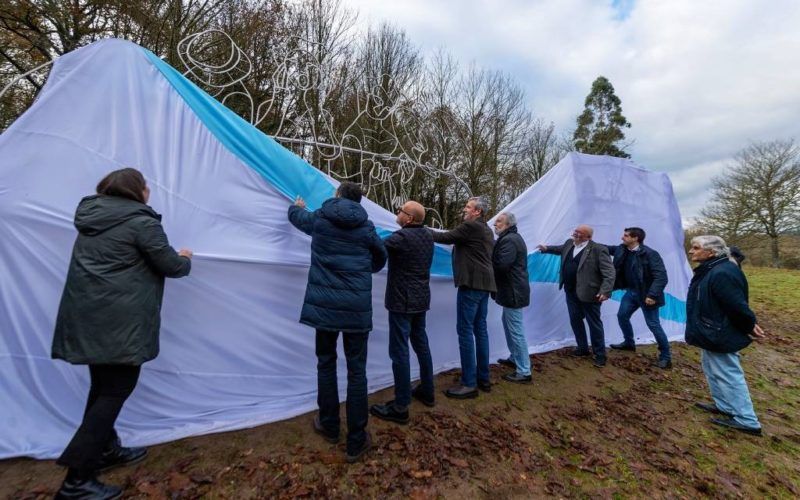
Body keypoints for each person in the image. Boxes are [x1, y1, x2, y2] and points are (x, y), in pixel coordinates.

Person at [52, 168, 192, 499]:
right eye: (146, 187)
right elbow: (171, 265)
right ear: (136, 191)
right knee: (116, 389)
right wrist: (185, 257)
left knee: (102, 387)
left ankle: (105, 450)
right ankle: (76, 481)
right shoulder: (141, 221)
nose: (149, 192)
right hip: (119, 323)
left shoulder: (92, 217)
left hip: (88, 318)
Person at [288, 182, 387, 463]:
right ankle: (356, 440)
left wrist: (296, 207)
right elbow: (381, 256)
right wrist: (362, 269)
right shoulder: (366, 227)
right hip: (356, 307)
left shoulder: (321, 218)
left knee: (326, 362)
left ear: (338, 195)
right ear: (359, 201)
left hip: (325, 307)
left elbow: (297, 218)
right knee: (357, 371)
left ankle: (330, 425)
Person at [686, 235, 765, 436]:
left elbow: (737, 306)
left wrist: (749, 325)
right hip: (711, 330)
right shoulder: (712, 269)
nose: (691, 251)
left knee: (728, 373)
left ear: (711, 253)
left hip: (719, 332)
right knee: (713, 369)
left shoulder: (722, 273)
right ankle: (725, 406)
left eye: (696, 248)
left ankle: (746, 419)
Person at [370, 201, 435, 424]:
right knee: (421, 345)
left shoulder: (402, 238)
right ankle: (427, 390)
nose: (397, 213)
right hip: (421, 299)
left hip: (402, 301)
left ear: (409, 219)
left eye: (401, 211)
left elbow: (377, 246)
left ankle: (400, 406)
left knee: (399, 351)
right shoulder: (427, 235)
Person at [430, 197, 496, 399]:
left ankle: (469, 383)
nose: (464, 209)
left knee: (465, 331)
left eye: (468, 207)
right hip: (484, 284)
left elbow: (445, 237)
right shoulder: (486, 229)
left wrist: (418, 227)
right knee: (480, 330)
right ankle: (483, 378)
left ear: (477, 212)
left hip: (472, 284)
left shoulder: (471, 226)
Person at [537, 225, 615, 367]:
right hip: (570, 291)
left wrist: (605, 291)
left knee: (594, 323)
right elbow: (560, 249)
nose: (575, 234)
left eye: (579, 233)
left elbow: (609, 273)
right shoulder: (569, 243)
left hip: (590, 294)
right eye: (575, 231)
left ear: (588, 237)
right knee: (575, 319)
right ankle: (582, 348)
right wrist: (546, 248)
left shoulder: (598, 249)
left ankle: (600, 355)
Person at [602, 227, 672, 369]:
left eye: (626, 236)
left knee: (653, 324)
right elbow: (605, 248)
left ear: (636, 238)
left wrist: (652, 295)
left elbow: (661, 277)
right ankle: (629, 343)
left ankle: (666, 357)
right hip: (631, 292)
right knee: (622, 316)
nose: (622, 238)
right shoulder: (622, 250)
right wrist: (587, 240)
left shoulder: (651, 254)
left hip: (647, 295)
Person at [491, 212, 532, 383]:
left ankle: (524, 371)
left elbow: (501, 265)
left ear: (508, 224)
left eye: (499, 221)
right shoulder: (511, 238)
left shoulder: (509, 240)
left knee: (516, 331)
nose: (495, 224)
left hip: (513, 291)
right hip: (512, 290)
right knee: (508, 325)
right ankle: (515, 358)